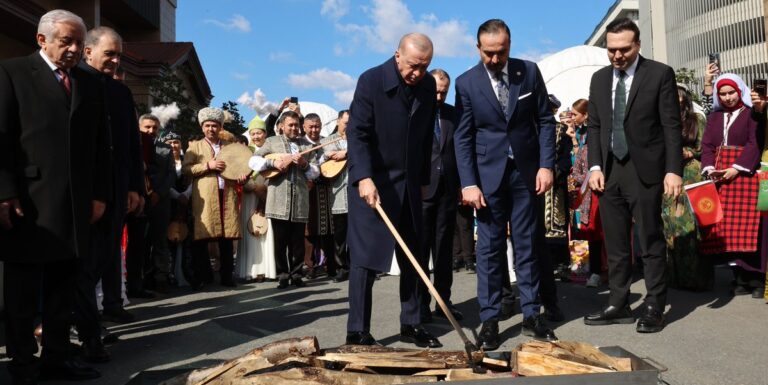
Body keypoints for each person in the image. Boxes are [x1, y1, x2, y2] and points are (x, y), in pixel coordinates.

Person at [0, 9, 109, 383]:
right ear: (42, 40)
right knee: (23, 291)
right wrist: (4, 191)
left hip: (77, 203)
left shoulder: (88, 83)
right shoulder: (12, 73)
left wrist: (99, 194)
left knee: (65, 287)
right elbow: (1, 138)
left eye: (80, 42)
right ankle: (22, 363)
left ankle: (57, 359)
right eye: (67, 41)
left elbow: (98, 146)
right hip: (28, 201)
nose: (76, 49)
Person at [454, 19, 557, 350]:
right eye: (489, 54)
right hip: (487, 178)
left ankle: (531, 313)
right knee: (489, 249)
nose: (495, 60)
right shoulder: (466, 83)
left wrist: (546, 165)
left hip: (526, 174)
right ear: (478, 48)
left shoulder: (528, 72)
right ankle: (490, 318)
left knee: (527, 244)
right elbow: (464, 136)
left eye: (501, 52)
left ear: (510, 46)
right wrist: (468, 183)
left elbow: (544, 119)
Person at [584, 18, 683, 334]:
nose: (617, 56)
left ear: (637, 44)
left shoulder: (659, 74)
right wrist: (595, 166)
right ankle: (619, 303)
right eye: (611, 50)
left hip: (647, 170)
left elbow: (671, 126)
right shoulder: (599, 79)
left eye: (624, 49)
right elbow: (595, 126)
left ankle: (654, 305)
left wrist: (672, 170)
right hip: (610, 172)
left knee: (650, 239)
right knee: (615, 243)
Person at [345, 32, 441, 348]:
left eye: (424, 67)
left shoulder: (427, 87)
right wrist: (363, 177)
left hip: (410, 183)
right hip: (373, 182)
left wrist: (424, 180)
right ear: (397, 54)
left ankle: (411, 323)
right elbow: (357, 134)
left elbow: (426, 135)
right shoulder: (371, 81)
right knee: (365, 259)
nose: (417, 74)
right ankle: (357, 331)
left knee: (413, 254)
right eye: (413, 66)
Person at [71, 26, 144, 363]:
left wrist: (134, 187)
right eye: (109, 53)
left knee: (100, 261)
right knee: (82, 265)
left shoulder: (120, 93)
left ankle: (83, 324)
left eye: (119, 55)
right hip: (84, 195)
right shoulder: (73, 84)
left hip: (117, 191)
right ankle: (86, 333)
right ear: (88, 51)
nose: (115, 61)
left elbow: (130, 145)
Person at [701, 74, 764, 298]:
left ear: (740, 91)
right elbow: (707, 144)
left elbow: (754, 142)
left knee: (750, 226)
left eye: (732, 92)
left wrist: (737, 168)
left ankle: (755, 278)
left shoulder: (751, 114)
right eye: (723, 94)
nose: (728, 98)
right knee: (728, 228)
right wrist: (709, 169)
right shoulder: (715, 117)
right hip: (720, 176)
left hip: (744, 175)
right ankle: (737, 278)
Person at [248, 110, 319, 289]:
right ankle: (282, 274)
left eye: (296, 125)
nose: (294, 128)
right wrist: (274, 163)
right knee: (280, 241)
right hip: (278, 199)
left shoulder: (306, 145)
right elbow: (253, 161)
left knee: (297, 242)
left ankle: (296, 274)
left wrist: (304, 164)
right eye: (290, 125)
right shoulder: (271, 142)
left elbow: (316, 172)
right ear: (281, 126)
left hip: (300, 200)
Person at [182, 107, 246, 289]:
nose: (211, 129)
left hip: (227, 193)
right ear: (202, 127)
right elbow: (187, 169)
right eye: (208, 125)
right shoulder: (195, 147)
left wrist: (243, 177)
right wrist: (207, 165)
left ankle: (227, 276)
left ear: (220, 127)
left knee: (226, 238)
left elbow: (241, 167)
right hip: (205, 195)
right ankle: (204, 276)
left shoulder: (230, 147)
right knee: (202, 237)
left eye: (215, 125)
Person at [417, 68, 462, 323]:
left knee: (444, 251)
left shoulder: (453, 114)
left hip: (447, 191)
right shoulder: (414, 112)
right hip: (422, 190)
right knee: (421, 251)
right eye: (435, 91)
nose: (439, 96)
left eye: (443, 92)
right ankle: (421, 304)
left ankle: (444, 303)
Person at [662, 84, 711, 291]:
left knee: (691, 225)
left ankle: (696, 278)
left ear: (684, 98)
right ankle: (674, 276)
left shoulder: (696, 119)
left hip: (691, 174)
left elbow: (705, 146)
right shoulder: (662, 120)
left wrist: (690, 152)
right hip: (668, 173)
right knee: (669, 225)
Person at [567, 99, 605, 288]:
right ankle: (589, 268)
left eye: (575, 114)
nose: (571, 117)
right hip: (584, 191)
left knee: (597, 231)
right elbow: (577, 162)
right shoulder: (580, 135)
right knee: (587, 231)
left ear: (586, 114)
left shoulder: (594, 135)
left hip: (596, 189)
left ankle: (599, 271)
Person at [235, 116, 276, 282]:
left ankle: (265, 270)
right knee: (250, 230)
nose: (256, 136)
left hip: (268, 194)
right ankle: (250, 270)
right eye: (253, 133)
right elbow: (239, 173)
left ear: (265, 134)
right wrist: (252, 186)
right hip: (250, 195)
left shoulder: (272, 150)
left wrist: (264, 190)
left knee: (267, 232)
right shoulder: (246, 152)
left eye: (259, 133)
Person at [319, 110, 351, 282]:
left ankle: (358, 266)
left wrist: (346, 153)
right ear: (338, 121)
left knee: (356, 233)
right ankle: (342, 267)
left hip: (356, 191)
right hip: (337, 193)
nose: (348, 126)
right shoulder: (327, 141)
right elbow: (325, 157)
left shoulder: (357, 140)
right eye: (346, 123)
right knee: (339, 234)